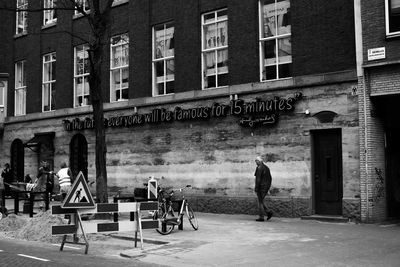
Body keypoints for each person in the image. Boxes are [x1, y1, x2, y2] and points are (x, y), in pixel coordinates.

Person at [254, 156, 273, 222]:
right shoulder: (266, 168)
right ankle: (269, 212)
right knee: (261, 201)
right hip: (265, 187)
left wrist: (256, 188)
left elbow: (258, 179)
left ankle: (261, 217)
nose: (255, 162)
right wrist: (268, 187)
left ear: (259, 161)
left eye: (256, 161)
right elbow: (270, 178)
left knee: (260, 202)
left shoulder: (259, 168)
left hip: (261, 187)